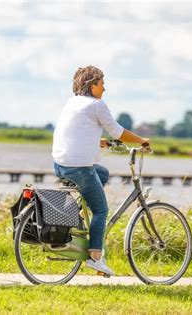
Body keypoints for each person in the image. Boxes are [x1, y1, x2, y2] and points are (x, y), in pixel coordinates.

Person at [52, 65, 150, 275]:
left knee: (103, 174)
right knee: (101, 210)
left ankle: (78, 216)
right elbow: (118, 132)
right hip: (79, 168)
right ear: (92, 85)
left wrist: (99, 142)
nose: (104, 89)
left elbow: (76, 133)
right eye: (102, 84)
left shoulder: (73, 102)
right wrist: (141, 141)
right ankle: (96, 258)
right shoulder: (97, 105)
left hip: (60, 164)